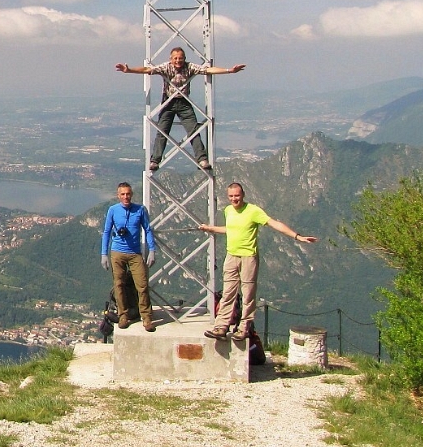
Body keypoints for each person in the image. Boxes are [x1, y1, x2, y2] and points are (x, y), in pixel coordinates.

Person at [198, 182, 317, 341]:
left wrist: (297, 236)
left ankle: (244, 328)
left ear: (243, 195)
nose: (234, 199)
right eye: (231, 196)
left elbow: (274, 223)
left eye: (237, 196)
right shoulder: (228, 211)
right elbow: (231, 229)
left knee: (248, 294)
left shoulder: (253, 211)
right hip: (231, 256)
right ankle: (221, 326)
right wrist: (211, 228)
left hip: (248, 257)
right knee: (228, 293)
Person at [115, 47, 246, 171]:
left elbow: (208, 70)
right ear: (171, 59)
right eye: (175, 58)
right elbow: (148, 70)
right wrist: (129, 70)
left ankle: (202, 159)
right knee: (162, 131)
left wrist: (229, 70)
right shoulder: (166, 67)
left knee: (194, 130)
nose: (178, 61)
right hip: (168, 102)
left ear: (184, 58)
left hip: (184, 102)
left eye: (180, 58)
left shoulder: (189, 67)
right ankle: (155, 160)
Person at [100, 182, 157, 332]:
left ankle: (146, 317)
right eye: (123, 194)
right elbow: (106, 232)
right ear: (118, 195)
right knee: (119, 285)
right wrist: (104, 254)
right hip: (117, 253)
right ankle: (123, 315)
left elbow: (148, 229)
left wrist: (152, 250)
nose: (126, 197)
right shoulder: (113, 210)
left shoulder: (140, 210)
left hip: (134, 254)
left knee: (142, 285)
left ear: (131, 194)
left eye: (128, 194)